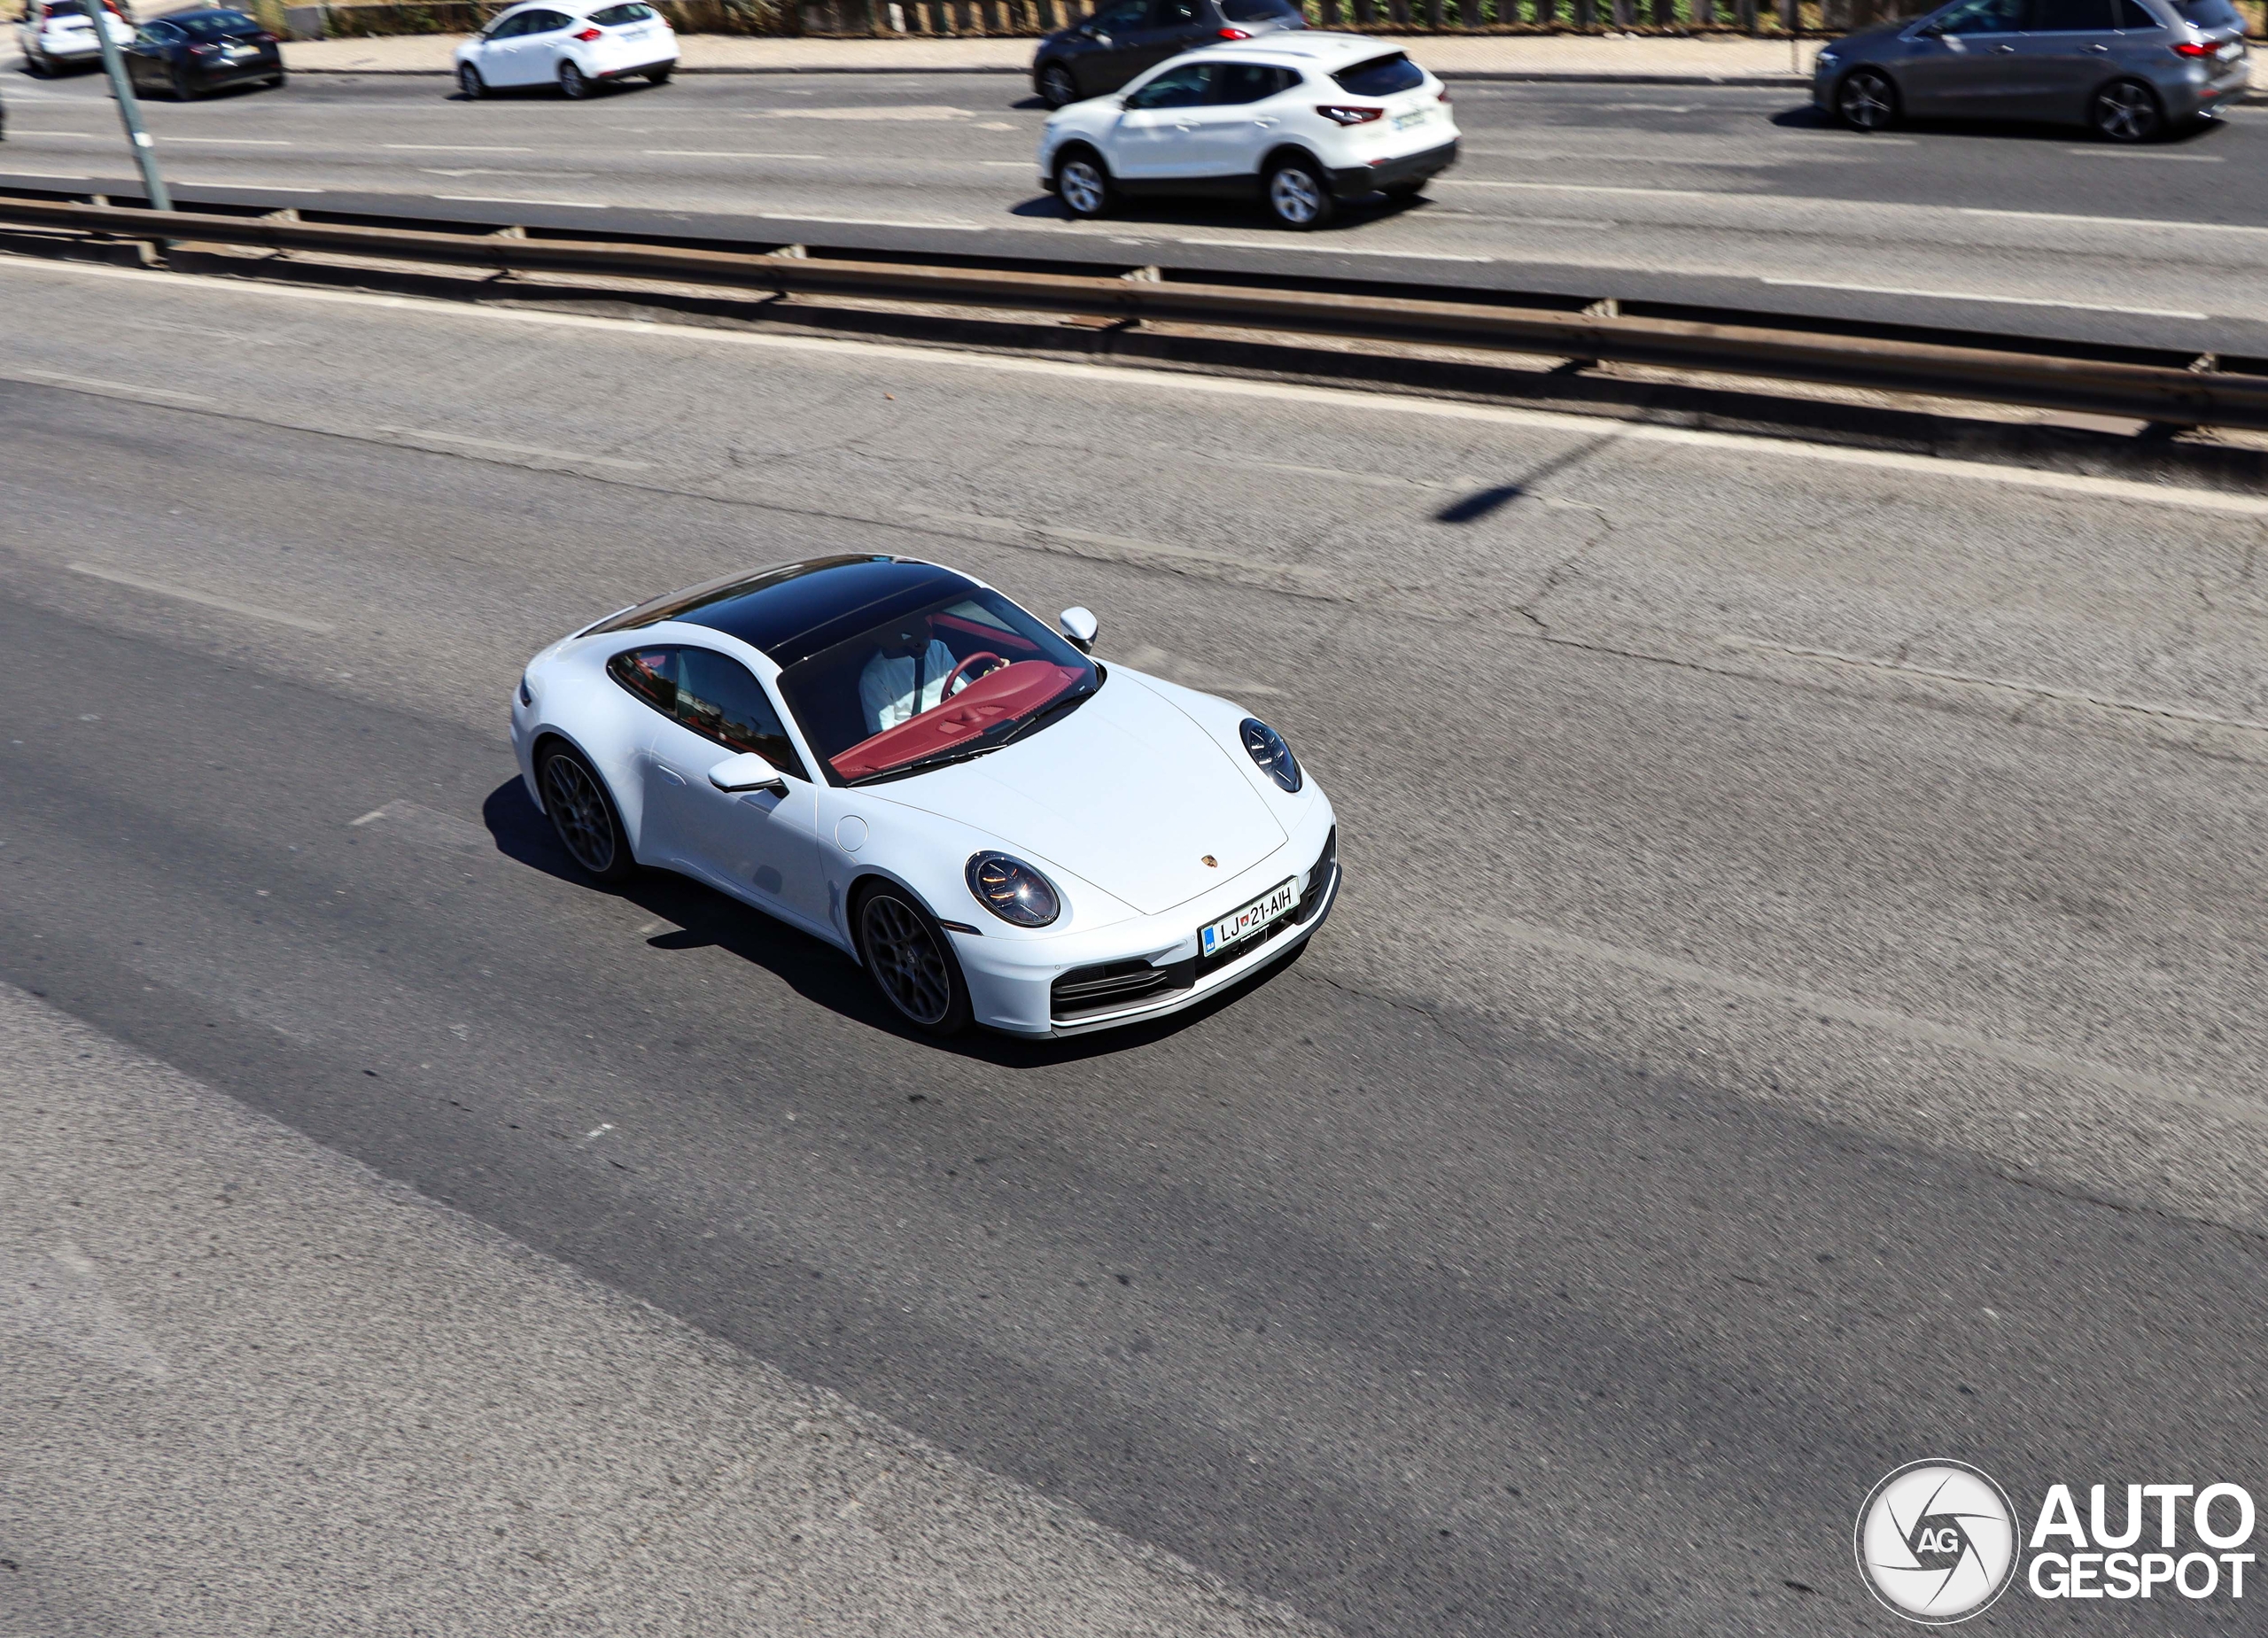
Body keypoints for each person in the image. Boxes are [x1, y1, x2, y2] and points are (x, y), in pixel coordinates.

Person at [858, 626, 958, 735]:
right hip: (917, 738)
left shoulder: (937, 648)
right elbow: (885, 736)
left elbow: (967, 690)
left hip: (952, 721)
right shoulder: (873, 676)